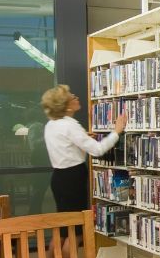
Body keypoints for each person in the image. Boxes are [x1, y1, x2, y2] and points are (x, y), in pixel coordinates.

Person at [41, 84, 127, 212]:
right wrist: (116, 131)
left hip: (59, 177)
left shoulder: (51, 124)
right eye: (72, 97)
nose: (77, 98)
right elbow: (98, 150)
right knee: (76, 220)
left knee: (65, 219)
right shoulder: (70, 126)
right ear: (67, 106)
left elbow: (63, 142)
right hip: (72, 178)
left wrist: (83, 137)